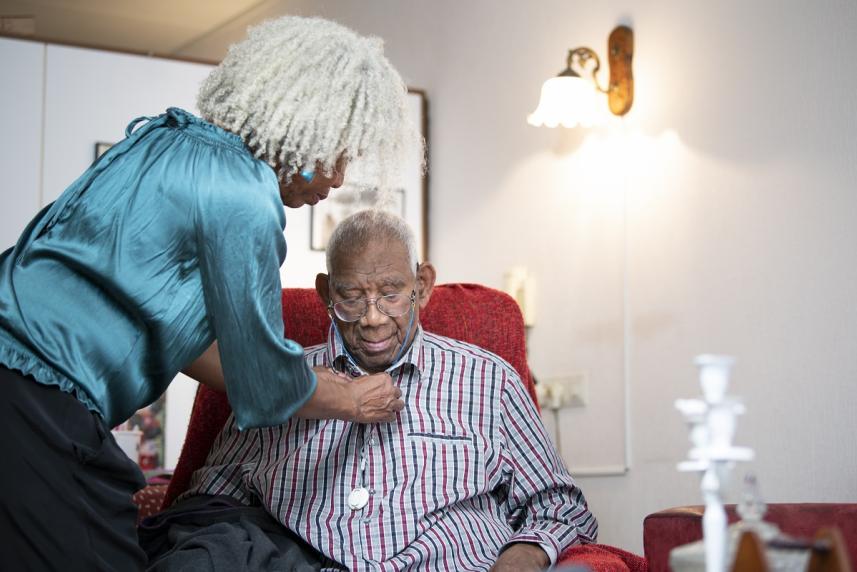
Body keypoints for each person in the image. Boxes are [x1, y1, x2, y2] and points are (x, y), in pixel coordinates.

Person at [0, 16, 417, 570]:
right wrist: (351, 397)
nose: (338, 179)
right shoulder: (243, 193)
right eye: (339, 154)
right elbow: (265, 384)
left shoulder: (161, 139)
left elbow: (186, 344)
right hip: (39, 401)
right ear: (304, 129)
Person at [142, 210, 598, 572]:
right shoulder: (282, 380)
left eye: (391, 293)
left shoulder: (489, 380)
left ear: (422, 286)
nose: (373, 317)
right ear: (326, 293)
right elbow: (212, 503)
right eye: (352, 296)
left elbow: (561, 506)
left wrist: (523, 555)